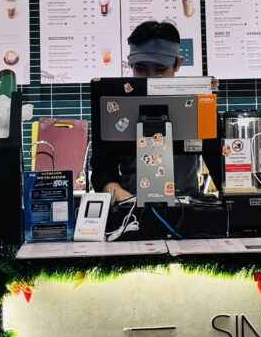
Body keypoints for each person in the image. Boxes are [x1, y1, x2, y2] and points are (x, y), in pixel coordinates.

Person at [91, 21, 216, 203]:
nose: (150, 77)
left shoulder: (199, 104)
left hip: (188, 206)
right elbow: (102, 170)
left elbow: (217, 160)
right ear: (130, 63)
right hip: (131, 207)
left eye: (160, 69)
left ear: (178, 64)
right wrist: (121, 196)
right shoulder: (115, 106)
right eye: (141, 68)